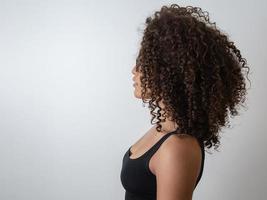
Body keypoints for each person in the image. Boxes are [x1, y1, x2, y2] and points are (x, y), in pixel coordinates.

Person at [120, 4, 250, 200]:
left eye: (143, 62)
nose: (134, 71)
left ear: (166, 73)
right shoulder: (163, 130)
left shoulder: (177, 147)